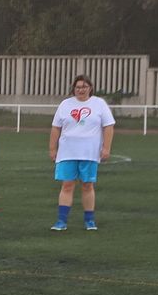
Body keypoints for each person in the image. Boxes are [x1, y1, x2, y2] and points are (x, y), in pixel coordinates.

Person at [49, 74, 116, 231]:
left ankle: (89, 220)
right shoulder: (65, 104)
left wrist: (106, 148)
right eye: (78, 87)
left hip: (89, 153)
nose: (81, 90)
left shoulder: (99, 104)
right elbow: (55, 127)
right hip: (67, 152)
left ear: (90, 88)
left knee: (87, 185)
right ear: (73, 88)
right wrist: (53, 148)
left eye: (84, 87)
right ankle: (61, 221)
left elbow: (109, 126)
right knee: (67, 185)